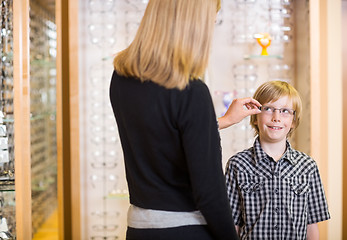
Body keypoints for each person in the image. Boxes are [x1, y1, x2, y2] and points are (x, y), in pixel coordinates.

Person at [109, 0, 261, 239]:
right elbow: (209, 193)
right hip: (186, 230)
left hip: (139, 228)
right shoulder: (191, 91)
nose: (211, 31)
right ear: (192, 25)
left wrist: (221, 121)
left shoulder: (120, 78)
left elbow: (160, 133)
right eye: (210, 22)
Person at [225, 81, 330, 239]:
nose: (276, 118)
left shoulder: (308, 166)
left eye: (285, 111)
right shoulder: (237, 165)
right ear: (255, 116)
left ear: (293, 121)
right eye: (268, 109)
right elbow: (232, 224)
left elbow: (312, 225)